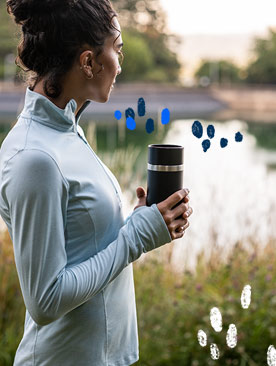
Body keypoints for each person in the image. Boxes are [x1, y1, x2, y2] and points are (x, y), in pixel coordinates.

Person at [0, 0, 193, 365]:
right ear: (88, 61)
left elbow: (82, 244)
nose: (120, 65)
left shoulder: (66, 131)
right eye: (117, 49)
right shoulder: (35, 157)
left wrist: (144, 222)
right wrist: (135, 237)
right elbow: (46, 300)